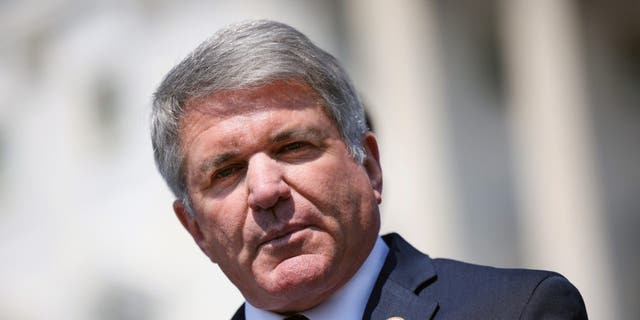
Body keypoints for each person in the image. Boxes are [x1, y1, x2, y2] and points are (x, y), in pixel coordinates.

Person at [151, 20, 587, 319]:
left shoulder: (519, 310)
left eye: (292, 146)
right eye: (226, 171)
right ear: (195, 229)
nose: (265, 191)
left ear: (370, 166)